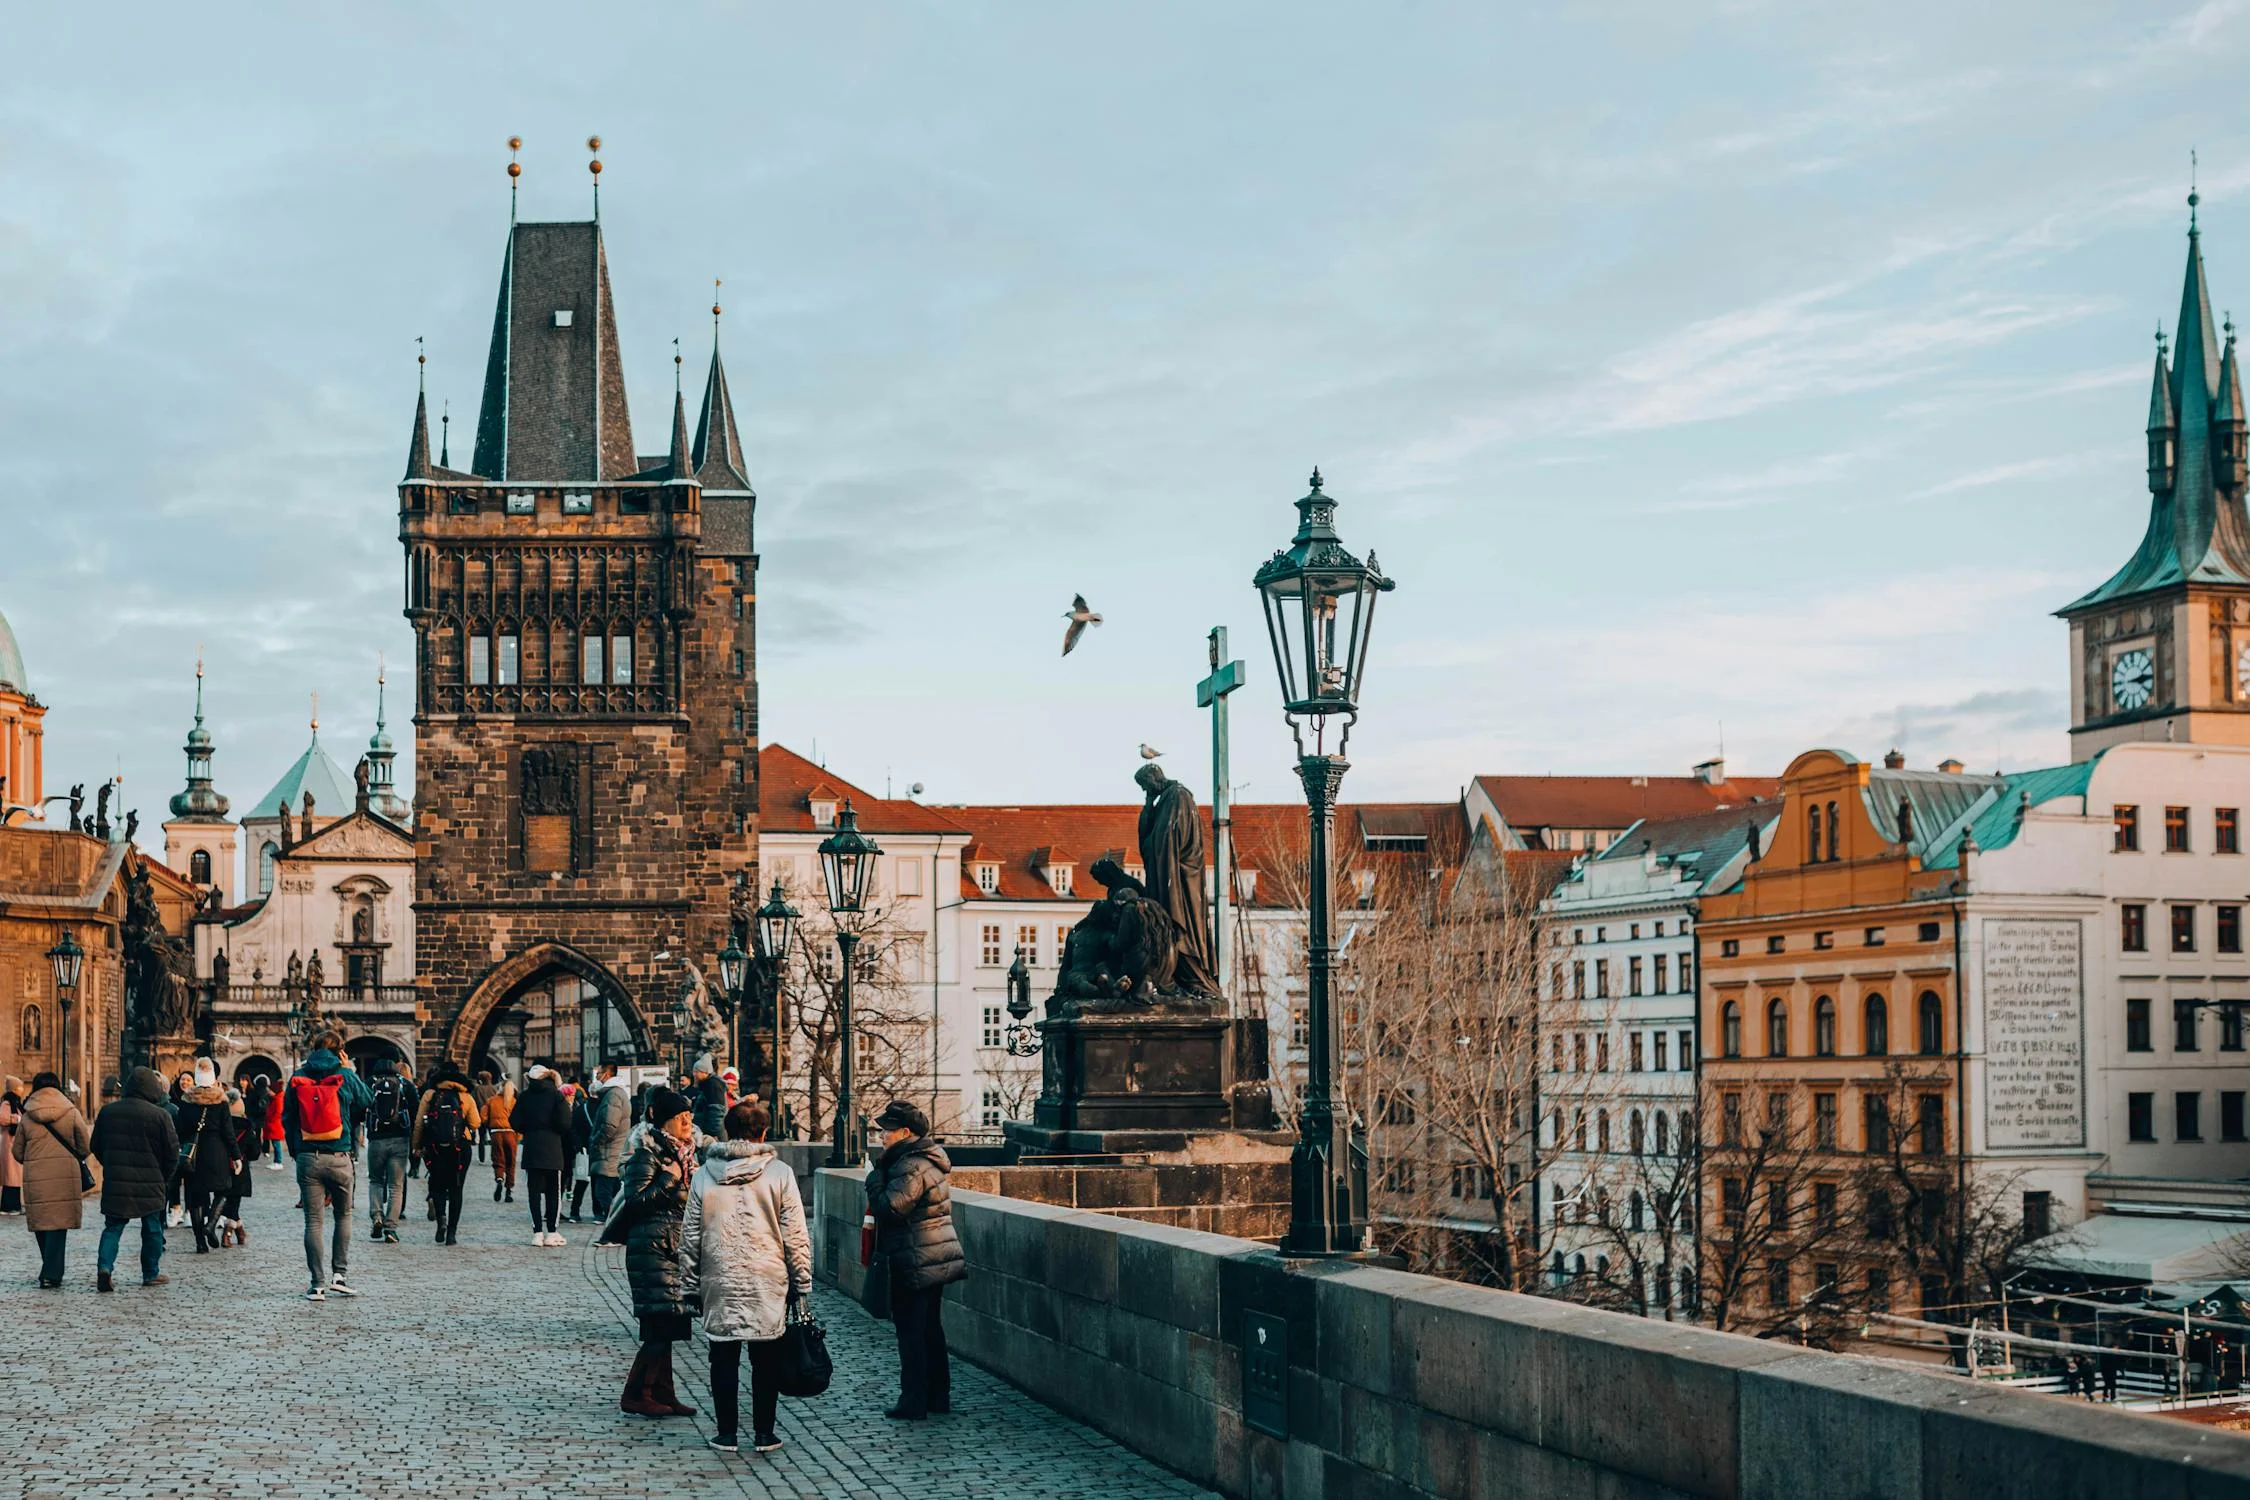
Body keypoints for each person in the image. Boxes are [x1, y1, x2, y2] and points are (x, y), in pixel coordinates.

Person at [682, 1097, 812, 1455]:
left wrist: (689, 1283)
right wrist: (801, 1282)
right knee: (765, 1358)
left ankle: (726, 1434)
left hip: (718, 1276)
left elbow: (690, 1233)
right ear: (764, 1132)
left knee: (722, 1357)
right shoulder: (780, 1174)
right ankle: (764, 1434)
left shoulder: (703, 1174)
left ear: (727, 1130)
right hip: (766, 1278)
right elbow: (795, 1234)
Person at [865, 1099, 967, 1420]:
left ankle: (914, 1401)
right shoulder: (921, 1160)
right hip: (930, 1254)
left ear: (905, 1132)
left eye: (888, 1130)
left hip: (915, 1256)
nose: (882, 1135)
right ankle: (937, 1396)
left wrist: (873, 1179)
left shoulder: (910, 1165)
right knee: (929, 1329)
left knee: (911, 1331)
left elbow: (892, 1207)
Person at [606, 1086, 698, 1418]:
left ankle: (663, 1392)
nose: (687, 1121)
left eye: (689, 1116)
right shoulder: (648, 1153)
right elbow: (635, 1203)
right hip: (653, 1249)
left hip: (673, 1248)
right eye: (680, 1117)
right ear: (662, 1121)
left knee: (671, 1325)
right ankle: (635, 1394)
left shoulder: (683, 1152)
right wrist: (670, 1182)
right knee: (659, 1327)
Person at [283, 1031, 372, 1301]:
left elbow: (287, 1118)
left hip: (308, 1157)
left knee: (313, 1221)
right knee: (343, 1216)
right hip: (339, 1155)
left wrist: (297, 1151)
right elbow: (367, 1100)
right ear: (340, 1051)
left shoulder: (298, 1076)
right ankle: (340, 1276)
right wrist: (348, 1068)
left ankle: (317, 1284)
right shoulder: (344, 1074)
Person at [90, 1066, 179, 1292]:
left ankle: (105, 1268)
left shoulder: (108, 1112)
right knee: (152, 1230)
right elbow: (172, 1153)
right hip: (151, 1181)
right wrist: (163, 1177)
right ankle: (150, 1273)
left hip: (117, 1181)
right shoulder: (160, 1115)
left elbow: (96, 1146)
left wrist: (111, 1165)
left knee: (112, 1228)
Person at [13, 1071, 90, 1288]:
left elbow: (17, 1152)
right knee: (58, 1225)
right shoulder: (71, 1112)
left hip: (36, 1176)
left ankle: (49, 1268)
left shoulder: (27, 1115)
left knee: (42, 1223)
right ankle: (51, 1273)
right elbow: (85, 1145)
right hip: (65, 1176)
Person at [175, 1058, 241, 1254]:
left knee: (195, 1198)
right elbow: (228, 1133)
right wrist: (236, 1156)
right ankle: (211, 1223)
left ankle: (199, 1243)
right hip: (217, 1151)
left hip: (194, 1153)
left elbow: (180, 1130)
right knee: (223, 1189)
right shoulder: (220, 1101)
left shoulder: (187, 1100)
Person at [413, 1063, 481, 1246]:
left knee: (438, 1186)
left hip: (436, 1148)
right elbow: (476, 1123)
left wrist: (417, 1146)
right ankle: (452, 1233)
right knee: (456, 1189)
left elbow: (419, 1123)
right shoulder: (465, 1096)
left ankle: (441, 1219)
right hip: (459, 1149)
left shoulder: (430, 1094)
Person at [363, 1056, 418, 1245]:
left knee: (376, 1181)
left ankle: (376, 1216)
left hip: (376, 1140)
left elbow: (360, 1106)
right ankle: (391, 1229)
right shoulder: (405, 1085)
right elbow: (416, 1111)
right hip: (400, 1140)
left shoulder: (370, 1083)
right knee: (396, 1186)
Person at [514, 1064, 571, 1246]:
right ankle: (552, 1232)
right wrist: (553, 1131)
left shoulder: (524, 1096)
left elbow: (514, 1120)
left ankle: (537, 1232)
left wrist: (529, 1130)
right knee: (554, 1192)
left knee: (534, 1193)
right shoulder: (556, 1095)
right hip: (552, 1148)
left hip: (532, 1147)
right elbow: (564, 1123)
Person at [586, 1062, 632, 1219]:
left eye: (599, 1074)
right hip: (612, 1152)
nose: (597, 1078)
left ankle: (617, 1227)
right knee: (611, 1194)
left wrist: (595, 1141)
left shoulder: (613, 1095)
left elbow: (609, 1126)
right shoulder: (615, 1094)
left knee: (603, 1193)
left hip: (609, 1153)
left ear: (607, 1074)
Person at [219, 1085, 256, 1246]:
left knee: (230, 1201)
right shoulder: (248, 1127)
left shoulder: (220, 1125)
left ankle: (239, 1232)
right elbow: (255, 1153)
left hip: (222, 1168)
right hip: (241, 1171)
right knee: (234, 1203)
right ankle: (228, 1233)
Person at [486, 1075, 518, 1203]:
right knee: (511, 1162)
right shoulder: (514, 1101)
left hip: (496, 1133)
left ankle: (499, 1178)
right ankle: (509, 1190)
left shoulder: (492, 1101)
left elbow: (483, 1117)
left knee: (498, 1159)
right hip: (510, 1133)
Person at [563, 1073, 589, 1223]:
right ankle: (569, 1193)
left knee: (570, 1172)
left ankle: (569, 1195)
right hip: (577, 1146)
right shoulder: (581, 1103)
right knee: (577, 1174)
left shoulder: (575, 1107)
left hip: (569, 1146)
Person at [0, 1076, 25, 1215]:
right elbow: (2, 1118)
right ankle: (9, 1206)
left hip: (14, 1143)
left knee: (14, 1176)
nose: (21, 1090)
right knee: (10, 1176)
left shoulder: (16, 1103)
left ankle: (14, 1205)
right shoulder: (7, 1104)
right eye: (19, 1087)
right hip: (9, 1143)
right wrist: (17, 1119)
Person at [254, 1073, 286, 1169]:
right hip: (273, 1124)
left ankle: (278, 1161)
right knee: (275, 1143)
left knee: (276, 1144)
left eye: (270, 1091)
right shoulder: (276, 1098)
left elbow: (278, 1112)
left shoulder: (278, 1099)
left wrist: (271, 1120)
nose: (268, 1092)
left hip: (274, 1124)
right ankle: (277, 1161)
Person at [690, 1060, 728, 1141]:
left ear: (705, 1072)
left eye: (696, 1071)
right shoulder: (707, 1085)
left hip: (712, 1135)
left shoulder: (713, 1086)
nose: (694, 1074)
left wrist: (713, 1134)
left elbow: (717, 1112)